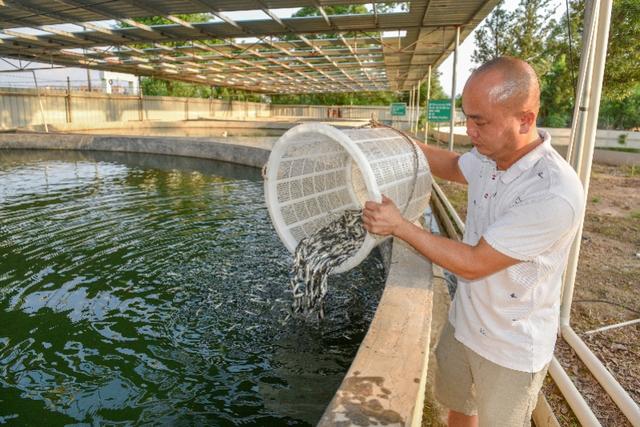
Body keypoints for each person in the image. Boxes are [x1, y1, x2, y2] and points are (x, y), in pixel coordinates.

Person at [362, 56, 585, 426]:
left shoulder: (552, 193)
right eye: (466, 116)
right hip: (465, 320)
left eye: (479, 121)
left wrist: (400, 225)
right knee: (460, 408)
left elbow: (474, 262)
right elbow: (449, 165)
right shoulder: (488, 156)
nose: (469, 130)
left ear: (525, 119)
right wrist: (396, 140)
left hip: (510, 344)